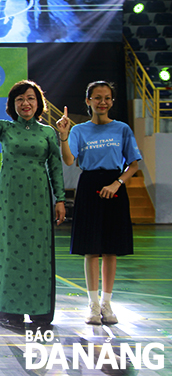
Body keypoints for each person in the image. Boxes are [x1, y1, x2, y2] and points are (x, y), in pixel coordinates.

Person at [0, 60, 65, 327]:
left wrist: (60, 199)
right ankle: (9, 311)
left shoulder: (48, 133)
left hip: (39, 197)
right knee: (10, 250)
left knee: (39, 253)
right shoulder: (5, 129)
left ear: (39, 104)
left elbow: (55, 167)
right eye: (20, 99)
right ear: (13, 104)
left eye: (31, 99)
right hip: (10, 197)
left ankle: (40, 313)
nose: (26, 103)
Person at [56, 81, 141, 325]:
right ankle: (93, 305)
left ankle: (107, 303)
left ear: (112, 101)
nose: (102, 102)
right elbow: (70, 160)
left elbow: (133, 164)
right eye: (97, 97)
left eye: (107, 98)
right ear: (88, 101)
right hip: (89, 186)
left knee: (111, 248)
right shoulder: (79, 131)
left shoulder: (122, 129)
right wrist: (63, 136)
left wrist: (117, 183)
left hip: (114, 186)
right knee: (92, 249)